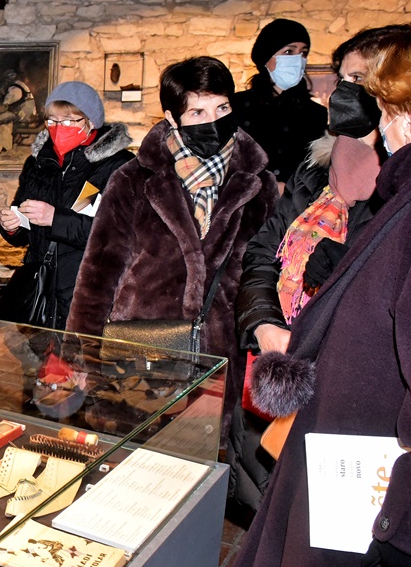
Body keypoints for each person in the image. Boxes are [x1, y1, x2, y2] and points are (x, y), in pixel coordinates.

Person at [205, 23, 411, 567]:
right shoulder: (334, 173)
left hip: (368, 470)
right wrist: (266, 323)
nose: (368, 110)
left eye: (373, 90)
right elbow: (262, 252)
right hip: (316, 415)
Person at [229, 25, 411, 513]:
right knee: (265, 503)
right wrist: (264, 326)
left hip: (352, 388)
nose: (346, 91)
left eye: (361, 80)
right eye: (344, 78)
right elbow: (261, 253)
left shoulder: (410, 185)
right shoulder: (314, 169)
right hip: (277, 362)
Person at [66, 57, 277, 440]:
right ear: (172, 117)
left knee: (208, 463)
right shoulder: (134, 179)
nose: (213, 121)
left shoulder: (258, 184)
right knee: (136, 460)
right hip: (141, 355)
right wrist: (82, 356)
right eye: (198, 112)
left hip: (221, 358)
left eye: (222, 108)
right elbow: (98, 272)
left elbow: (267, 271)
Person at [0, 81, 133, 329]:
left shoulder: (118, 165)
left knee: (83, 352)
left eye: (69, 121)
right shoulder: (38, 163)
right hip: (42, 289)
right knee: (37, 353)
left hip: (90, 289)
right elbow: (25, 230)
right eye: (52, 121)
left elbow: (117, 236)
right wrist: (13, 227)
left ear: (90, 121)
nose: (59, 128)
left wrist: (55, 219)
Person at [232, 18, 329, 184]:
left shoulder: (315, 113)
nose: (298, 59)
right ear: (266, 57)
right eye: (289, 52)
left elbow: (316, 170)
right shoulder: (237, 105)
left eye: (303, 53)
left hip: (296, 198)